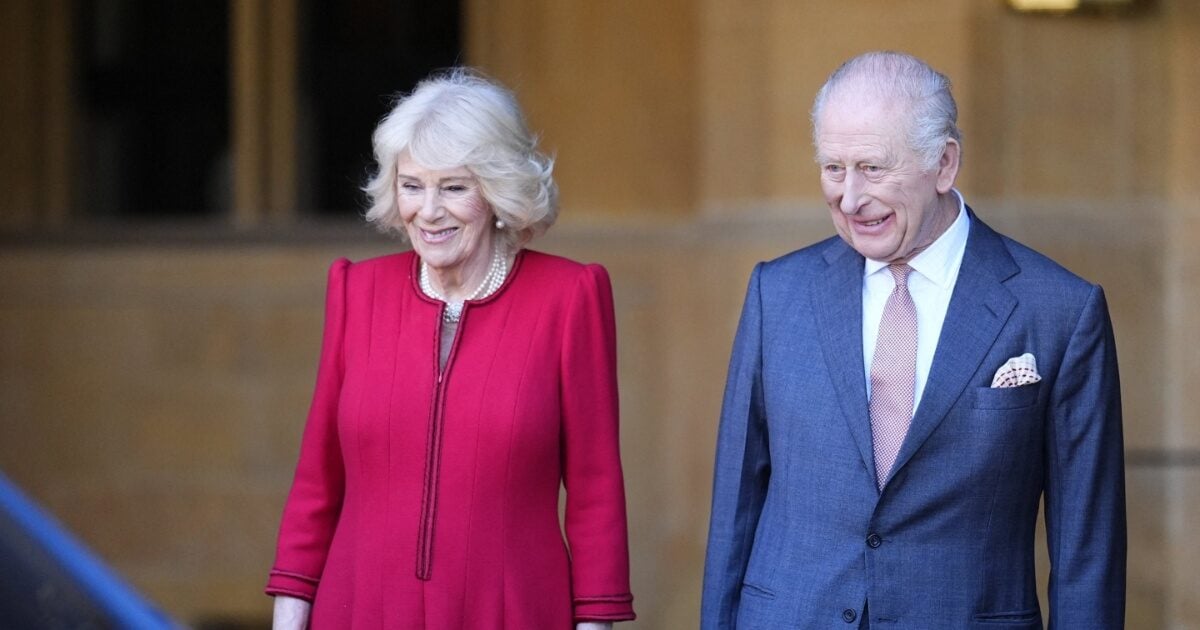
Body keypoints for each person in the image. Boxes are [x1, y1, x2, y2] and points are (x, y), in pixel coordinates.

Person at [701, 51, 1125, 629]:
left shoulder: (1058, 310)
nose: (850, 198)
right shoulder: (777, 293)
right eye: (833, 168)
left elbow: (1088, 551)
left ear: (944, 163)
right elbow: (735, 508)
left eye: (873, 168)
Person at [266, 69, 636, 629]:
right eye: (412, 185)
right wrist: (289, 619)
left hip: (510, 610)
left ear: (497, 189)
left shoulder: (569, 297)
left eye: (454, 187)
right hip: (362, 607)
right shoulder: (356, 291)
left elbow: (595, 489)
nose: (429, 210)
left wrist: (595, 623)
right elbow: (317, 481)